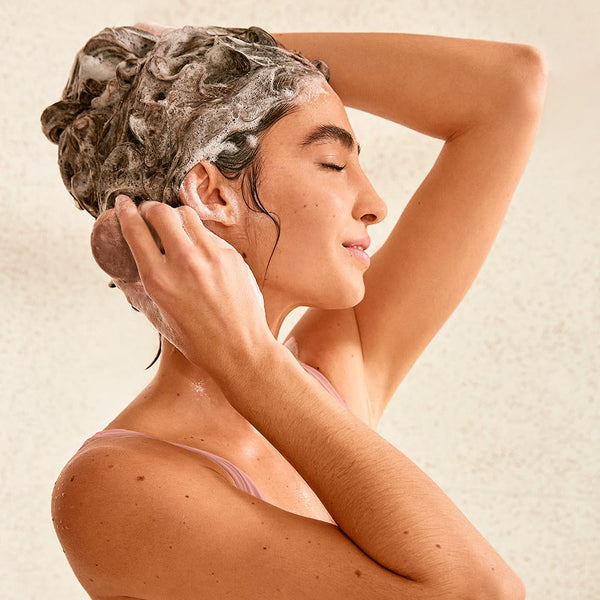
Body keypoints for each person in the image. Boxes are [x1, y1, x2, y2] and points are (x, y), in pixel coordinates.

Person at [42, 23, 546, 600]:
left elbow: (508, 88)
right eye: (334, 163)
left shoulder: (329, 376)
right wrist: (248, 361)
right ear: (212, 195)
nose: (375, 204)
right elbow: (479, 592)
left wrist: (203, 60)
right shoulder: (113, 487)